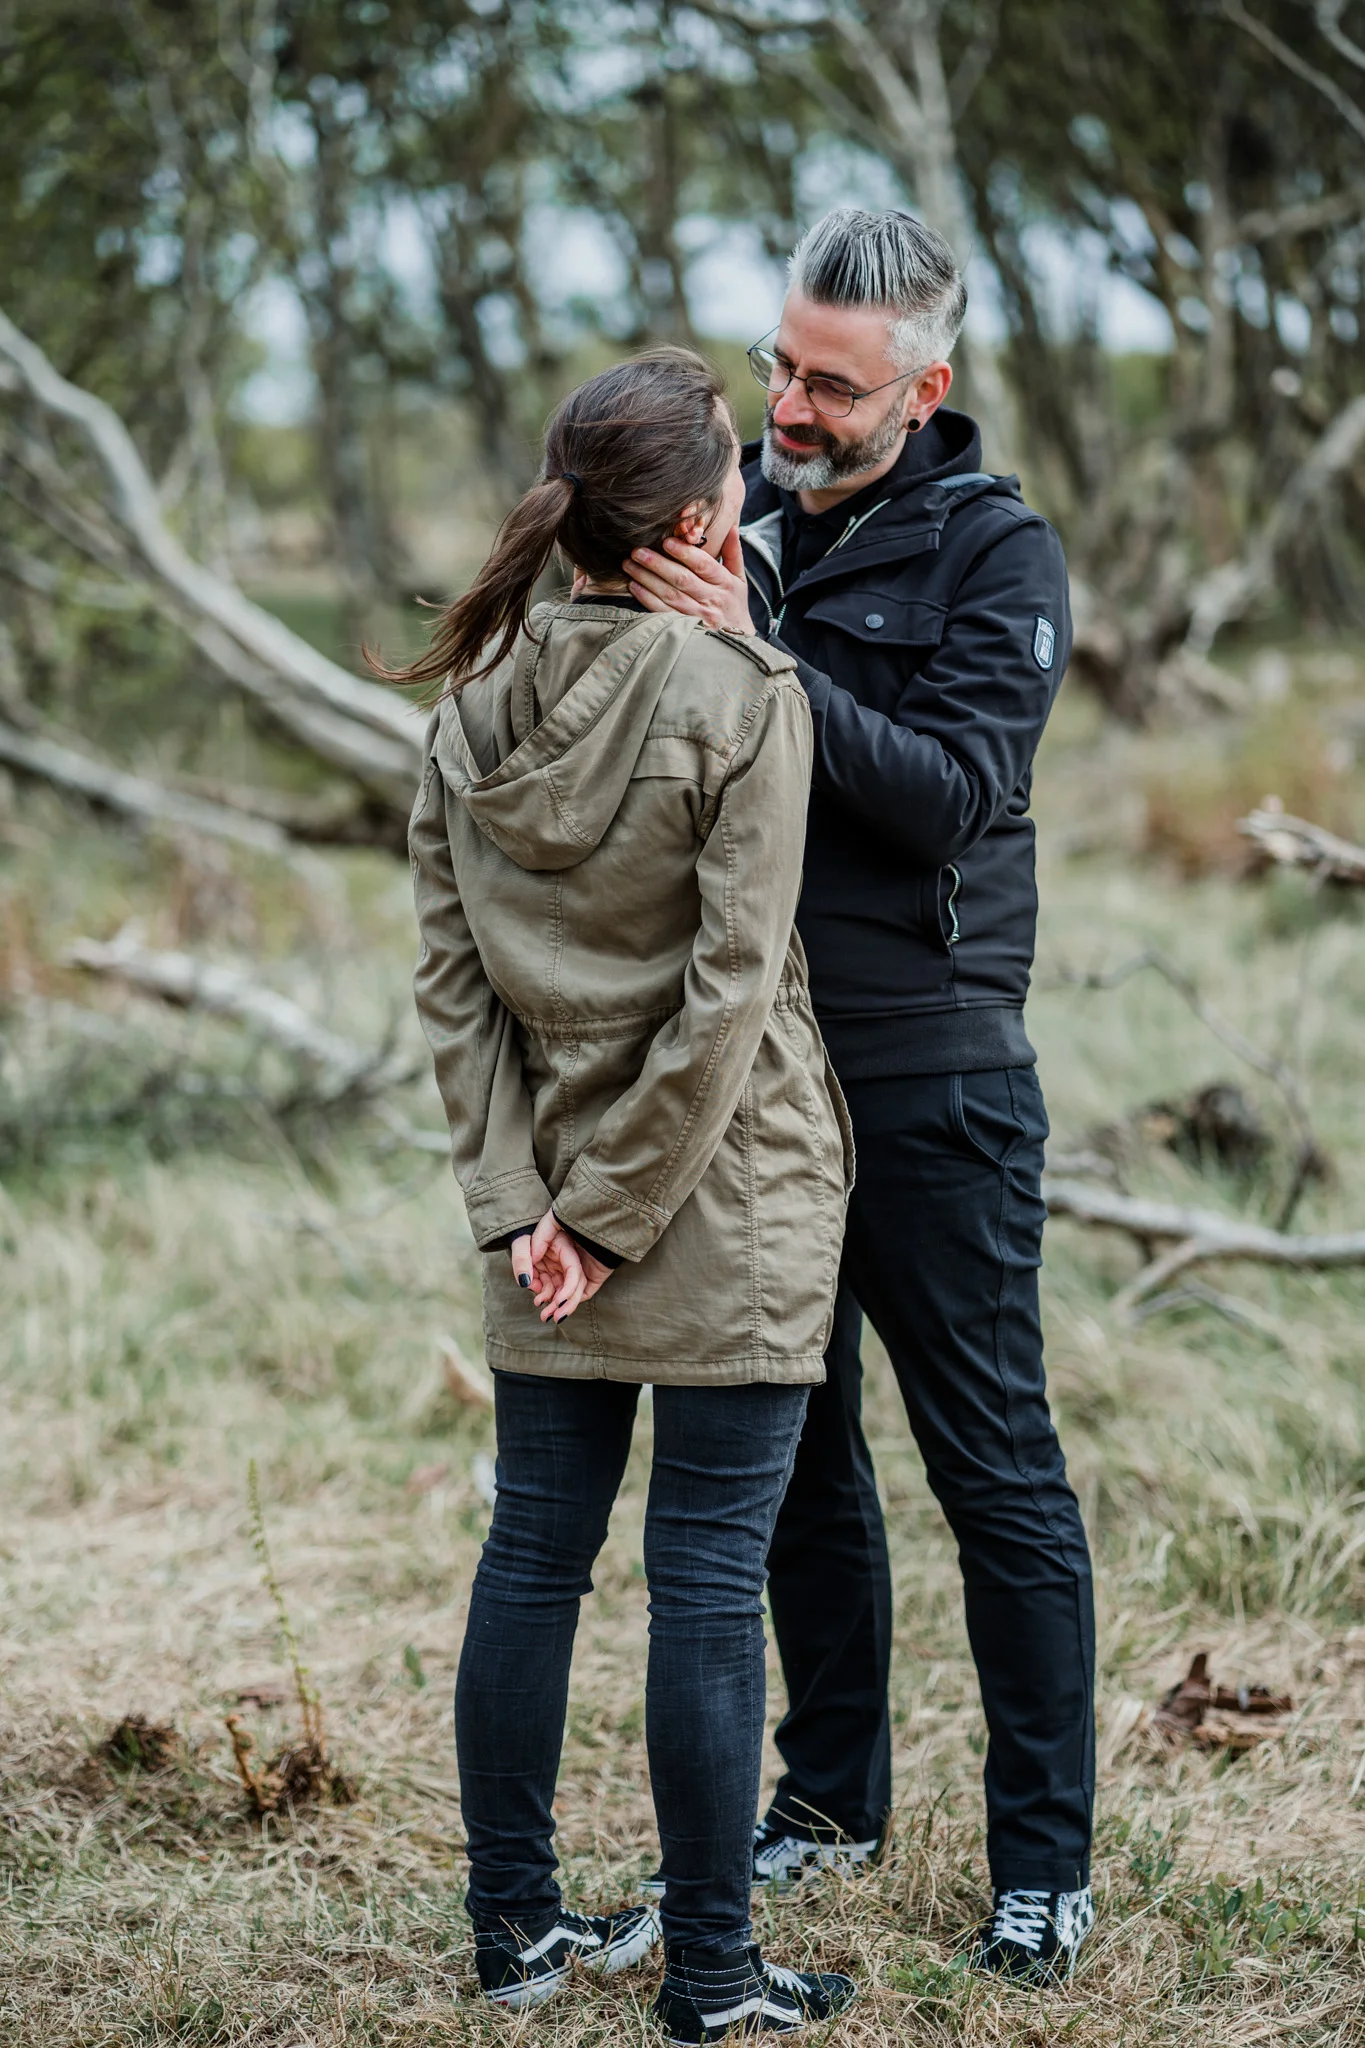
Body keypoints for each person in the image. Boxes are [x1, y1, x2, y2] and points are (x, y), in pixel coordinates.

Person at [623, 210, 1097, 1986]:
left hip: (930, 1075)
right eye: (781, 366)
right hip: (751, 1077)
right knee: (796, 1461)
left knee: (995, 1471)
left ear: (925, 385)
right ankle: (829, 1806)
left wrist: (759, 648)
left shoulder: (1000, 553)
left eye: (832, 384)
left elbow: (951, 795)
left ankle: (1044, 1868)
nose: (791, 408)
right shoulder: (734, 515)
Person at [391, 347, 857, 2040]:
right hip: (725, 1198)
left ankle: (515, 1934)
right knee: (710, 1578)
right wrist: (607, 1216)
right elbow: (730, 999)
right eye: (740, 471)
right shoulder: (747, 695)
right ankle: (713, 1981)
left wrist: (528, 1204)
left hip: (543, 1221)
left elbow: (453, 995)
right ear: (702, 522)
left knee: (533, 1555)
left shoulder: (466, 710)